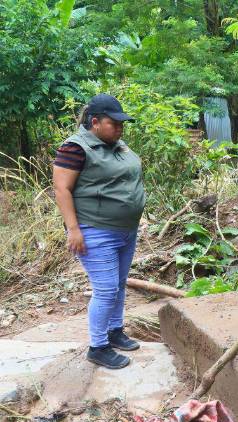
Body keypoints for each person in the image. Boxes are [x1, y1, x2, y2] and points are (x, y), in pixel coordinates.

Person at [52, 93, 145, 369]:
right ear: (94, 122)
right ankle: (98, 346)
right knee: (105, 290)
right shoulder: (75, 148)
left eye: (121, 124)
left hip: (125, 230)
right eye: (113, 123)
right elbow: (61, 189)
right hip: (96, 231)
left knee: (118, 285)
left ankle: (115, 331)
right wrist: (73, 229)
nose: (120, 128)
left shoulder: (116, 144)